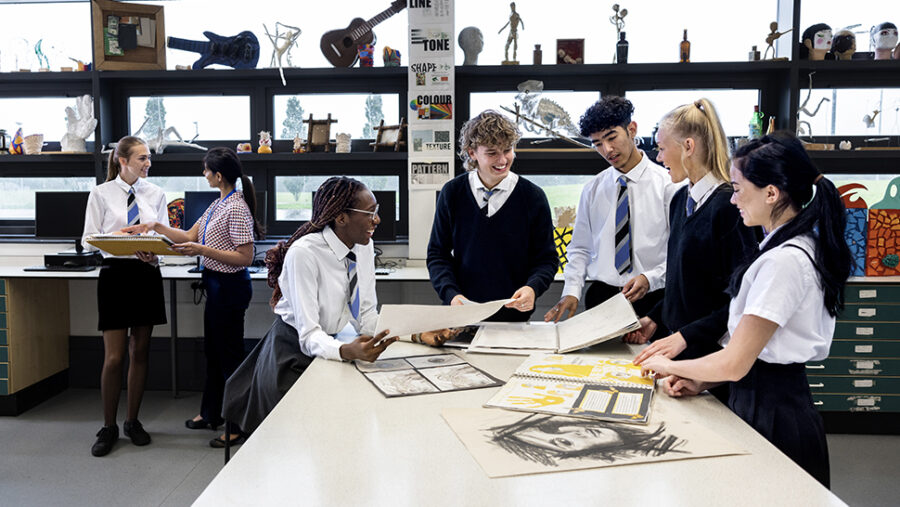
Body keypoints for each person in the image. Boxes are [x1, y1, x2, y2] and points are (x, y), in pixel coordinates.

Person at [637, 132, 852, 488]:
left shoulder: (785, 262)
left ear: (771, 193)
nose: (733, 199)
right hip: (760, 399)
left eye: (738, 188)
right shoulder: (784, 249)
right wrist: (702, 378)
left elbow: (736, 361)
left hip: (776, 416)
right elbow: (752, 357)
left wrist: (667, 365)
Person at [220, 177, 438, 445]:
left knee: (334, 432)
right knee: (294, 441)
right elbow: (309, 334)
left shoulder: (363, 246)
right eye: (370, 213)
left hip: (328, 345)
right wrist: (346, 351)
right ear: (340, 218)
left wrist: (416, 333)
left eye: (377, 210)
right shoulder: (305, 254)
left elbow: (367, 317)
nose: (377, 220)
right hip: (290, 352)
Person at [122, 147, 263, 440]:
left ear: (218, 175)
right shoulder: (218, 204)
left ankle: (237, 426)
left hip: (230, 287)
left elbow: (245, 257)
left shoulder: (236, 207)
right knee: (212, 353)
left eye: (206, 170)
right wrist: (155, 226)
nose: (204, 174)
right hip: (215, 284)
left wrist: (201, 251)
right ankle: (211, 413)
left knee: (229, 357)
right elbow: (188, 236)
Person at [627, 99, 757, 402]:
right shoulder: (679, 201)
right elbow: (683, 280)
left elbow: (741, 302)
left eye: (661, 148)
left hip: (712, 361)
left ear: (688, 146)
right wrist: (656, 317)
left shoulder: (729, 207)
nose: (658, 158)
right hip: (679, 357)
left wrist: (686, 337)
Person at [545, 96, 681, 324]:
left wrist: (651, 278)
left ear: (632, 129)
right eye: (597, 143)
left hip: (655, 297)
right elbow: (580, 248)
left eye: (611, 137)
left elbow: (679, 252)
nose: (607, 150)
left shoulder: (669, 185)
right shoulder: (592, 189)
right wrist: (571, 290)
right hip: (602, 298)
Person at [427, 110, 558, 322]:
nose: (502, 160)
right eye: (492, 153)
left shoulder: (533, 196)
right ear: (472, 153)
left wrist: (532, 288)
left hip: (513, 318)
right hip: (461, 316)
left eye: (508, 150)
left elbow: (547, 259)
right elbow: (437, 254)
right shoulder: (452, 193)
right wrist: (451, 295)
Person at [82, 136, 168, 457]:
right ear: (123, 160)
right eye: (142, 158)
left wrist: (156, 253)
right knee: (115, 357)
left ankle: (132, 421)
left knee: (141, 351)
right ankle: (108, 426)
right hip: (115, 276)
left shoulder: (156, 193)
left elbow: (164, 236)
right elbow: (88, 240)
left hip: (145, 275)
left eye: (148, 158)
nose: (148, 163)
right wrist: (119, 236)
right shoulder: (101, 194)